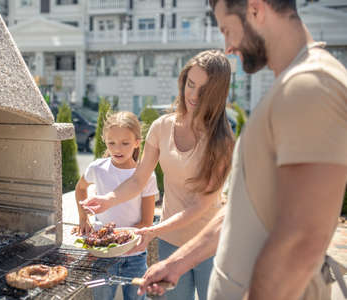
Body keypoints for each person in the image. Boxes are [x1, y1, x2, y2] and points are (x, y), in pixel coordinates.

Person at [137, 0, 347, 299]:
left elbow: (303, 239)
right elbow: (244, 209)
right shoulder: (291, 85)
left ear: (256, 9)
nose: (229, 47)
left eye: (227, 30)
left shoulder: (310, 86)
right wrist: (177, 262)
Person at [81, 50, 235, 300]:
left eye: (203, 90)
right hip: (170, 242)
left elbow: (201, 205)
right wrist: (108, 199)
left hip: (211, 244)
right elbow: (138, 180)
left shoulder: (222, 141)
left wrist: (153, 229)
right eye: (190, 84)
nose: (193, 95)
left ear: (217, 93)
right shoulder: (161, 127)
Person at [74, 111, 159, 300]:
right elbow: (80, 188)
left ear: (137, 142)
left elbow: (146, 221)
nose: (117, 149)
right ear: (104, 141)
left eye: (125, 143)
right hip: (102, 256)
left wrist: (116, 240)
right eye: (111, 143)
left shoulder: (146, 176)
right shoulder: (97, 168)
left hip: (135, 256)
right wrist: (83, 217)